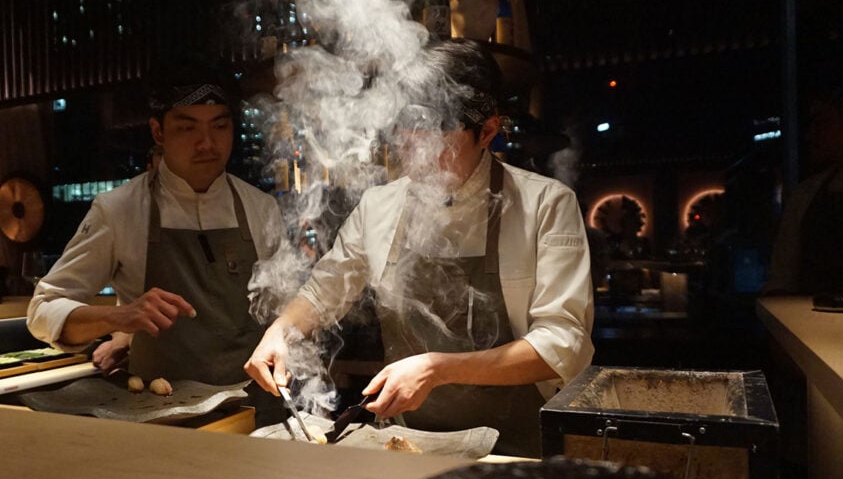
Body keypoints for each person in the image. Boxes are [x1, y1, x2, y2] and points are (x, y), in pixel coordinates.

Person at [244, 39, 594, 457]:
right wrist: (280, 332)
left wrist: (437, 368)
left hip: (516, 448)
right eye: (406, 133)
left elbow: (563, 346)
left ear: (487, 131)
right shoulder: (380, 205)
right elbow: (326, 290)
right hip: (406, 443)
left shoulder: (545, 205)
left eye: (437, 137)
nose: (417, 153)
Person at [27, 56, 285, 419]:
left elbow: (286, 312)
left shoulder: (260, 208)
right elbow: (42, 311)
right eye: (188, 128)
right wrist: (119, 319)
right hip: (159, 414)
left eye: (220, 126)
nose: (206, 143)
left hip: (254, 411)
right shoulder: (119, 209)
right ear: (158, 132)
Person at [763, 63, 843, 296]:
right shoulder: (807, 193)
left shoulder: (807, 193)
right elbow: (781, 278)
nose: (810, 134)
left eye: (821, 122)